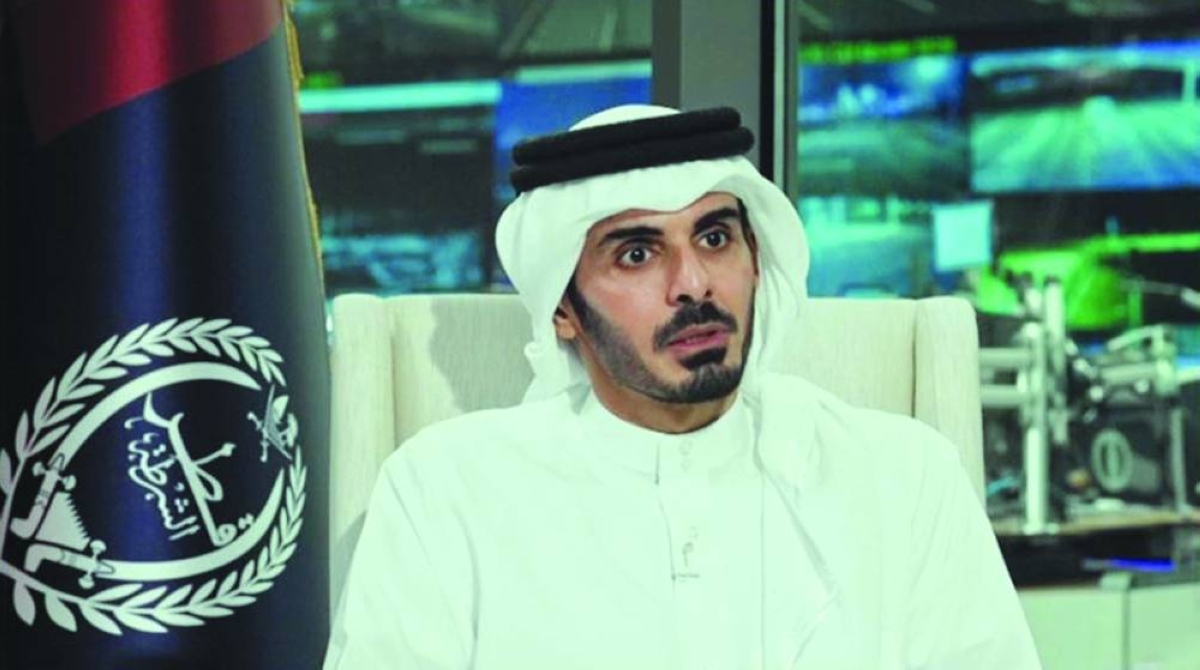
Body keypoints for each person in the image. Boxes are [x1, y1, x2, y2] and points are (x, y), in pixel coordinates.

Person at [324, 105, 1041, 669]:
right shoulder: (445, 492)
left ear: (756, 261)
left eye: (715, 238)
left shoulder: (902, 477)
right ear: (562, 309)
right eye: (638, 253)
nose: (693, 284)